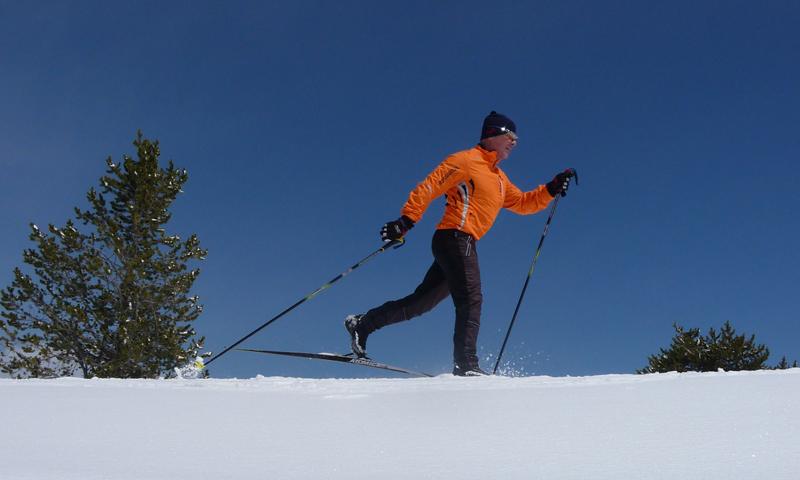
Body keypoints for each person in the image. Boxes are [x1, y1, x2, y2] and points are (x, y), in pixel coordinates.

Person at [345, 111, 575, 376]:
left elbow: (523, 203)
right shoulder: (466, 161)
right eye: (511, 136)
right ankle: (466, 365)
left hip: (462, 241)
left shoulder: (499, 178)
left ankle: (363, 324)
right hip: (455, 236)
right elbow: (431, 186)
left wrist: (551, 187)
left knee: (421, 303)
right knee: (471, 298)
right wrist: (406, 220)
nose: (515, 142)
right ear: (493, 135)